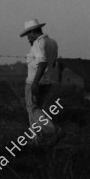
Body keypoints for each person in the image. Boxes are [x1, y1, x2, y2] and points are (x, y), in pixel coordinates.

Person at [20, 19, 66, 147]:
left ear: (33, 32)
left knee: (32, 109)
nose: (28, 37)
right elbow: (53, 63)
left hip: (34, 81)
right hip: (47, 81)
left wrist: (35, 82)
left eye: (28, 34)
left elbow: (43, 62)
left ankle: (55, 130)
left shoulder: (38, 43)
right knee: (36, 110)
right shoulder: (52, 42)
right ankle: (36, 139)